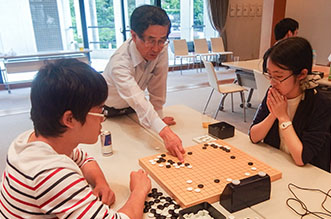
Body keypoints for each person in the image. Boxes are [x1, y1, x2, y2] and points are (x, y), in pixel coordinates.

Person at [0, 59, 151, 218]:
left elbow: (84, 159)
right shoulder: (52, 174)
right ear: (69, 119)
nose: (102, 118)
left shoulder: (29, 140)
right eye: (100, 110)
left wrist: (101, 183)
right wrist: (138, 191)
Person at [102, 5, 185, 162]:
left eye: (162, 40)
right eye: (150, 40)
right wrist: (165, 132)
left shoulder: (162, 48)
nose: (156, 48)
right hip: (108, 112)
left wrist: (158, 119)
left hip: (133, 111)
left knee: (148, 148)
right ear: (134, 36)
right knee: (123, 157)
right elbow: (137, 98)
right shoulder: (119, 63)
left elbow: (157, 88)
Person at [249, 37, 331, 172]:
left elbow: (301, 158)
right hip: (276, 165)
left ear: (302, 74)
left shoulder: (320, 105)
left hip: (308, 176)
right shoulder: (275, 93)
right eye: (269, 75)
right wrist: (273, 114)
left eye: (279, 76)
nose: (272, 82)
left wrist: (283, 117)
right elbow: (254, 136)